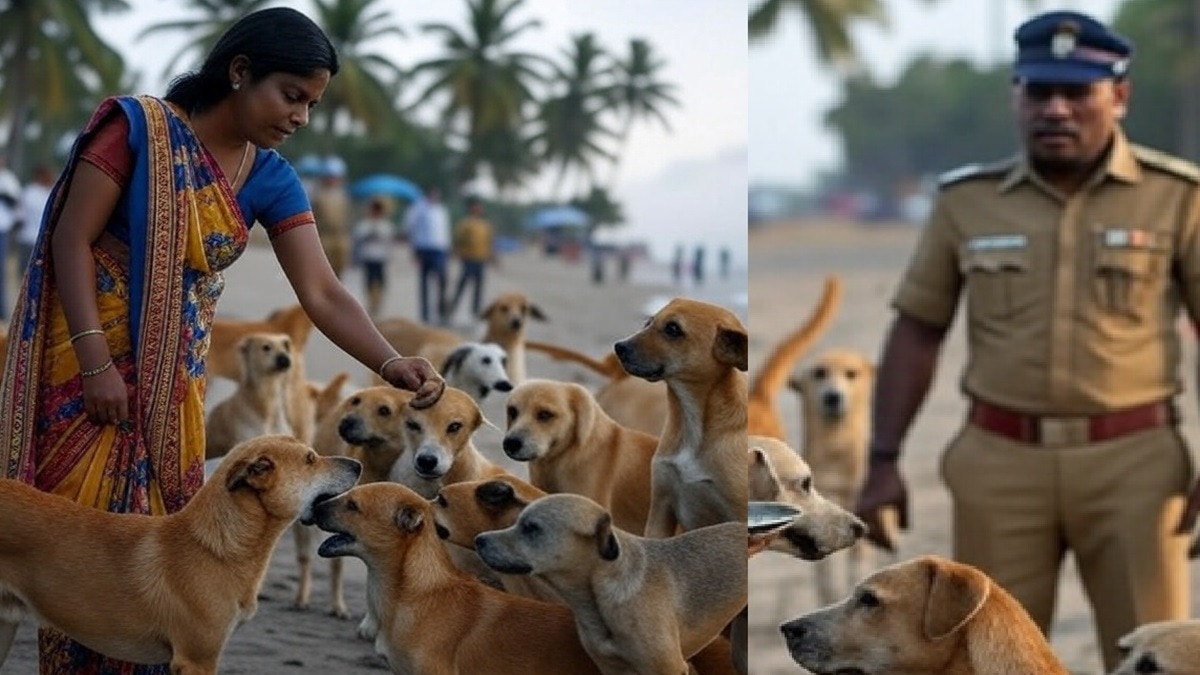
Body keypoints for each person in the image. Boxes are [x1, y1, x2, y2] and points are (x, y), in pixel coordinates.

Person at [0, 8, 444, 673]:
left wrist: (388, 359)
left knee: (170, 560)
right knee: (70, 546)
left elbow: (321, 291)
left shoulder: (269, 177)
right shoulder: (137, 133)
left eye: (312, 105)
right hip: (82, 376)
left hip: (172, 390)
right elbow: (71, 238)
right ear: (240, 73)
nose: (299, 116)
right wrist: (96, 362)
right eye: (291, 95)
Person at [854, 11, 1199, 670]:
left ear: (1119, 96)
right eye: (1039, 91)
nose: (1057, 109)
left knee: (1156, 652)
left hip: (1136, 465)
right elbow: (919, 327)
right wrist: (883, 460)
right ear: (1016, 94)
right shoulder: (966, 201)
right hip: (999, 464)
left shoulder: (1177, 196)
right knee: (986, 654)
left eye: (1078, 92)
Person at [403, 185, 451, 325]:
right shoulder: (418, 209)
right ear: (427, 195)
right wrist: (414, 250)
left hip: (440, 249)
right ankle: (424, 314)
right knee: (424, 282)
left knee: (442, 280)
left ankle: (441, 312)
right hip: (424, 248)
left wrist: (448, 249)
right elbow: (411, 228)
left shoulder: (442, 210)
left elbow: (445, 231)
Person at [448, 195, 494, 321]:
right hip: (468, 259)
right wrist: (459, 252)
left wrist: (491, 256)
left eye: (479, 207)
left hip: (481, 259)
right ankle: (452, 309)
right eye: (475, 207)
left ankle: (475, 312)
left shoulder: (485, 225)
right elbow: (457, 240)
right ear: (471, 208)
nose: (478, 209)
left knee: (478, 287)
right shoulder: (465, 223)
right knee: (462, 285)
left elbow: (489, 242)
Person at [309, 155, 352, 278]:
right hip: (324, 236)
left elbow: (348, 216)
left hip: (340, 235)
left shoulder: (343, 195)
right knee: (324, 270)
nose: (333, 179)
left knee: (339, 269)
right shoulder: (318, 195)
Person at [352, 197, 395, 317]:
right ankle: (371, 301)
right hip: (369, 256)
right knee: (369, 281)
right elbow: (358, 238)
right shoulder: (364, 225)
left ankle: (378, 302)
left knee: (381, 281)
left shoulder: (386, 225)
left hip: (380, 257)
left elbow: (389, 240)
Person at [15, 164, 54, 270]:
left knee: (25, 274)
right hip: (39, 241)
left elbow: (19, 217)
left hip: (27, 238)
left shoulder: (27, 192)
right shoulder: (50, 194)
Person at [0, 152, 21, 318]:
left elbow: (16, 203)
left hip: (2, 230)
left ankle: (3, 312)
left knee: (1, 271)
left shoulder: (8, 179)